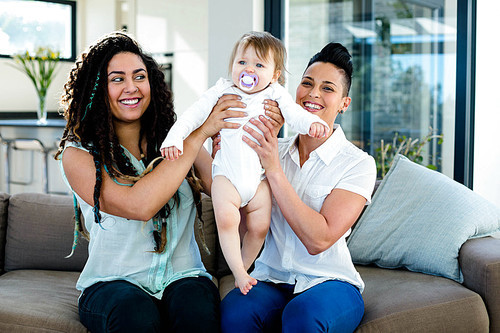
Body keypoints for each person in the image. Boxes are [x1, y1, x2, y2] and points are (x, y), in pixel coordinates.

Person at [55, 31, 246, 333]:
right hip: (112, 284)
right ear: (96, 89)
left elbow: (226, 189)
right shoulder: (78, 155)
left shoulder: (179, 139)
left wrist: (239, 150)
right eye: (117, 79)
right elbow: (139, 205)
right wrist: (199, 134)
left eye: (139, 76)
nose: (131, 88)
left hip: (183, 277)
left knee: (196, 311)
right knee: (137, 315)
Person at [220, 42, 377, 332]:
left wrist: (273, 169)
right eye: (307, 83)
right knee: (235, 312)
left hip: (329, 282)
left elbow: (319, 240)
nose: (313, 94)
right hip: (271, 279)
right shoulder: (269, 147)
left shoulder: (358, 164)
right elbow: (245, 228)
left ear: (345, 103)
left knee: (302, 317)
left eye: (328, 88)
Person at [160, 31, 329, 295]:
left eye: (259, 65)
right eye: (242, 62)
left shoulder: (276, 94)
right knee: (226, 221)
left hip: (258, 179)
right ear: (232, 66)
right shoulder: (222, 90)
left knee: (259, 227)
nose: (248, 69)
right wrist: (175, 138)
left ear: (274, 75)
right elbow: (193, 114)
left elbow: (295, 115)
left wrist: (312, 123)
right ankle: (239, 273)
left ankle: (242, 269)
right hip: (226, 175)